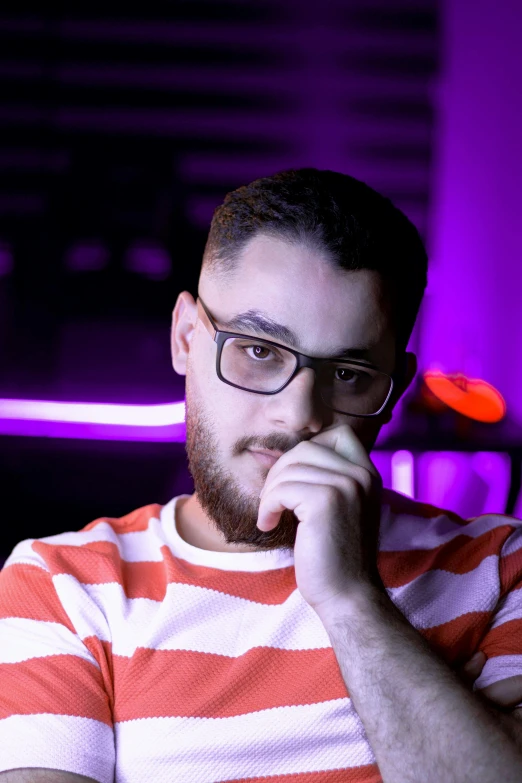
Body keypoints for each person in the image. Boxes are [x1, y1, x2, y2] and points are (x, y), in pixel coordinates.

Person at [1, 168, 521, 783]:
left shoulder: (500, 568)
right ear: (186, 338)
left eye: (349, 374)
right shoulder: (63, 586)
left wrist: (353, 603)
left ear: (395, 388)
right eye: (258, 350)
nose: (299, 414)